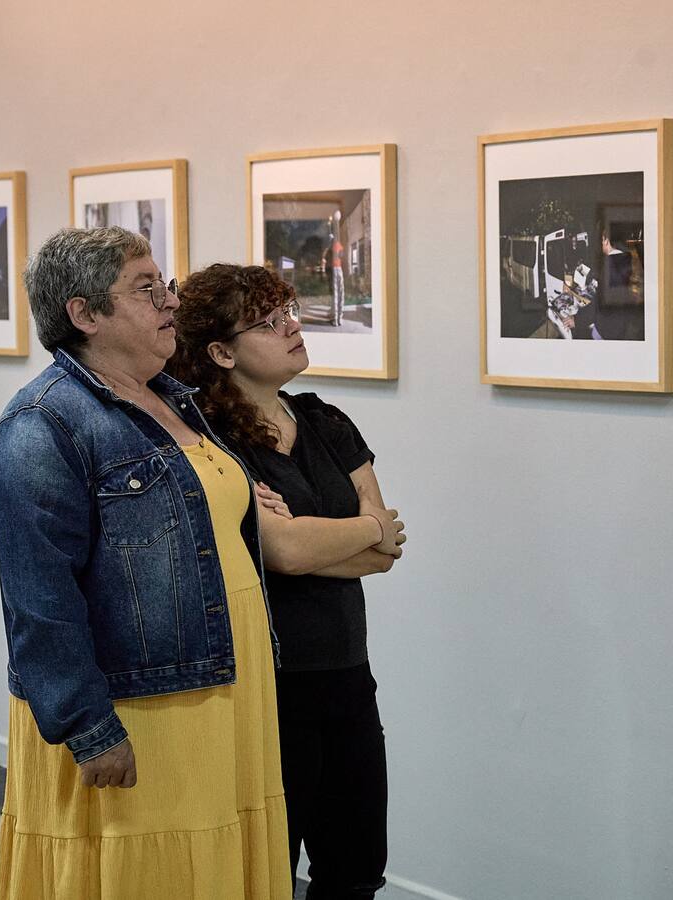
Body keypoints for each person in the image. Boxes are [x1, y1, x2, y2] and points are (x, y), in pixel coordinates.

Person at [0, 228, 293, 899]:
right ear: (85, 314)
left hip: (221, 688)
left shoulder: (175, 399)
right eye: (146, 290)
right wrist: (89, 728)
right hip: (145, 704)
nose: (170, 303)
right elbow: (39, 599)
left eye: (168, 285)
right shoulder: (43, 425)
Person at [168, 263, 405, 900]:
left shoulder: (326, 420)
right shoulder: (211, 440)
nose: (291, 328)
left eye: (290, 313)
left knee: (356, 872)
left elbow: (385, 551)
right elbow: (289, 553)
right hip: (267, 685)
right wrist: (357, 528)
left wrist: (325, 536)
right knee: (267, 872)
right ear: (221, 352)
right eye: (267, 323)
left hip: (347, 674)